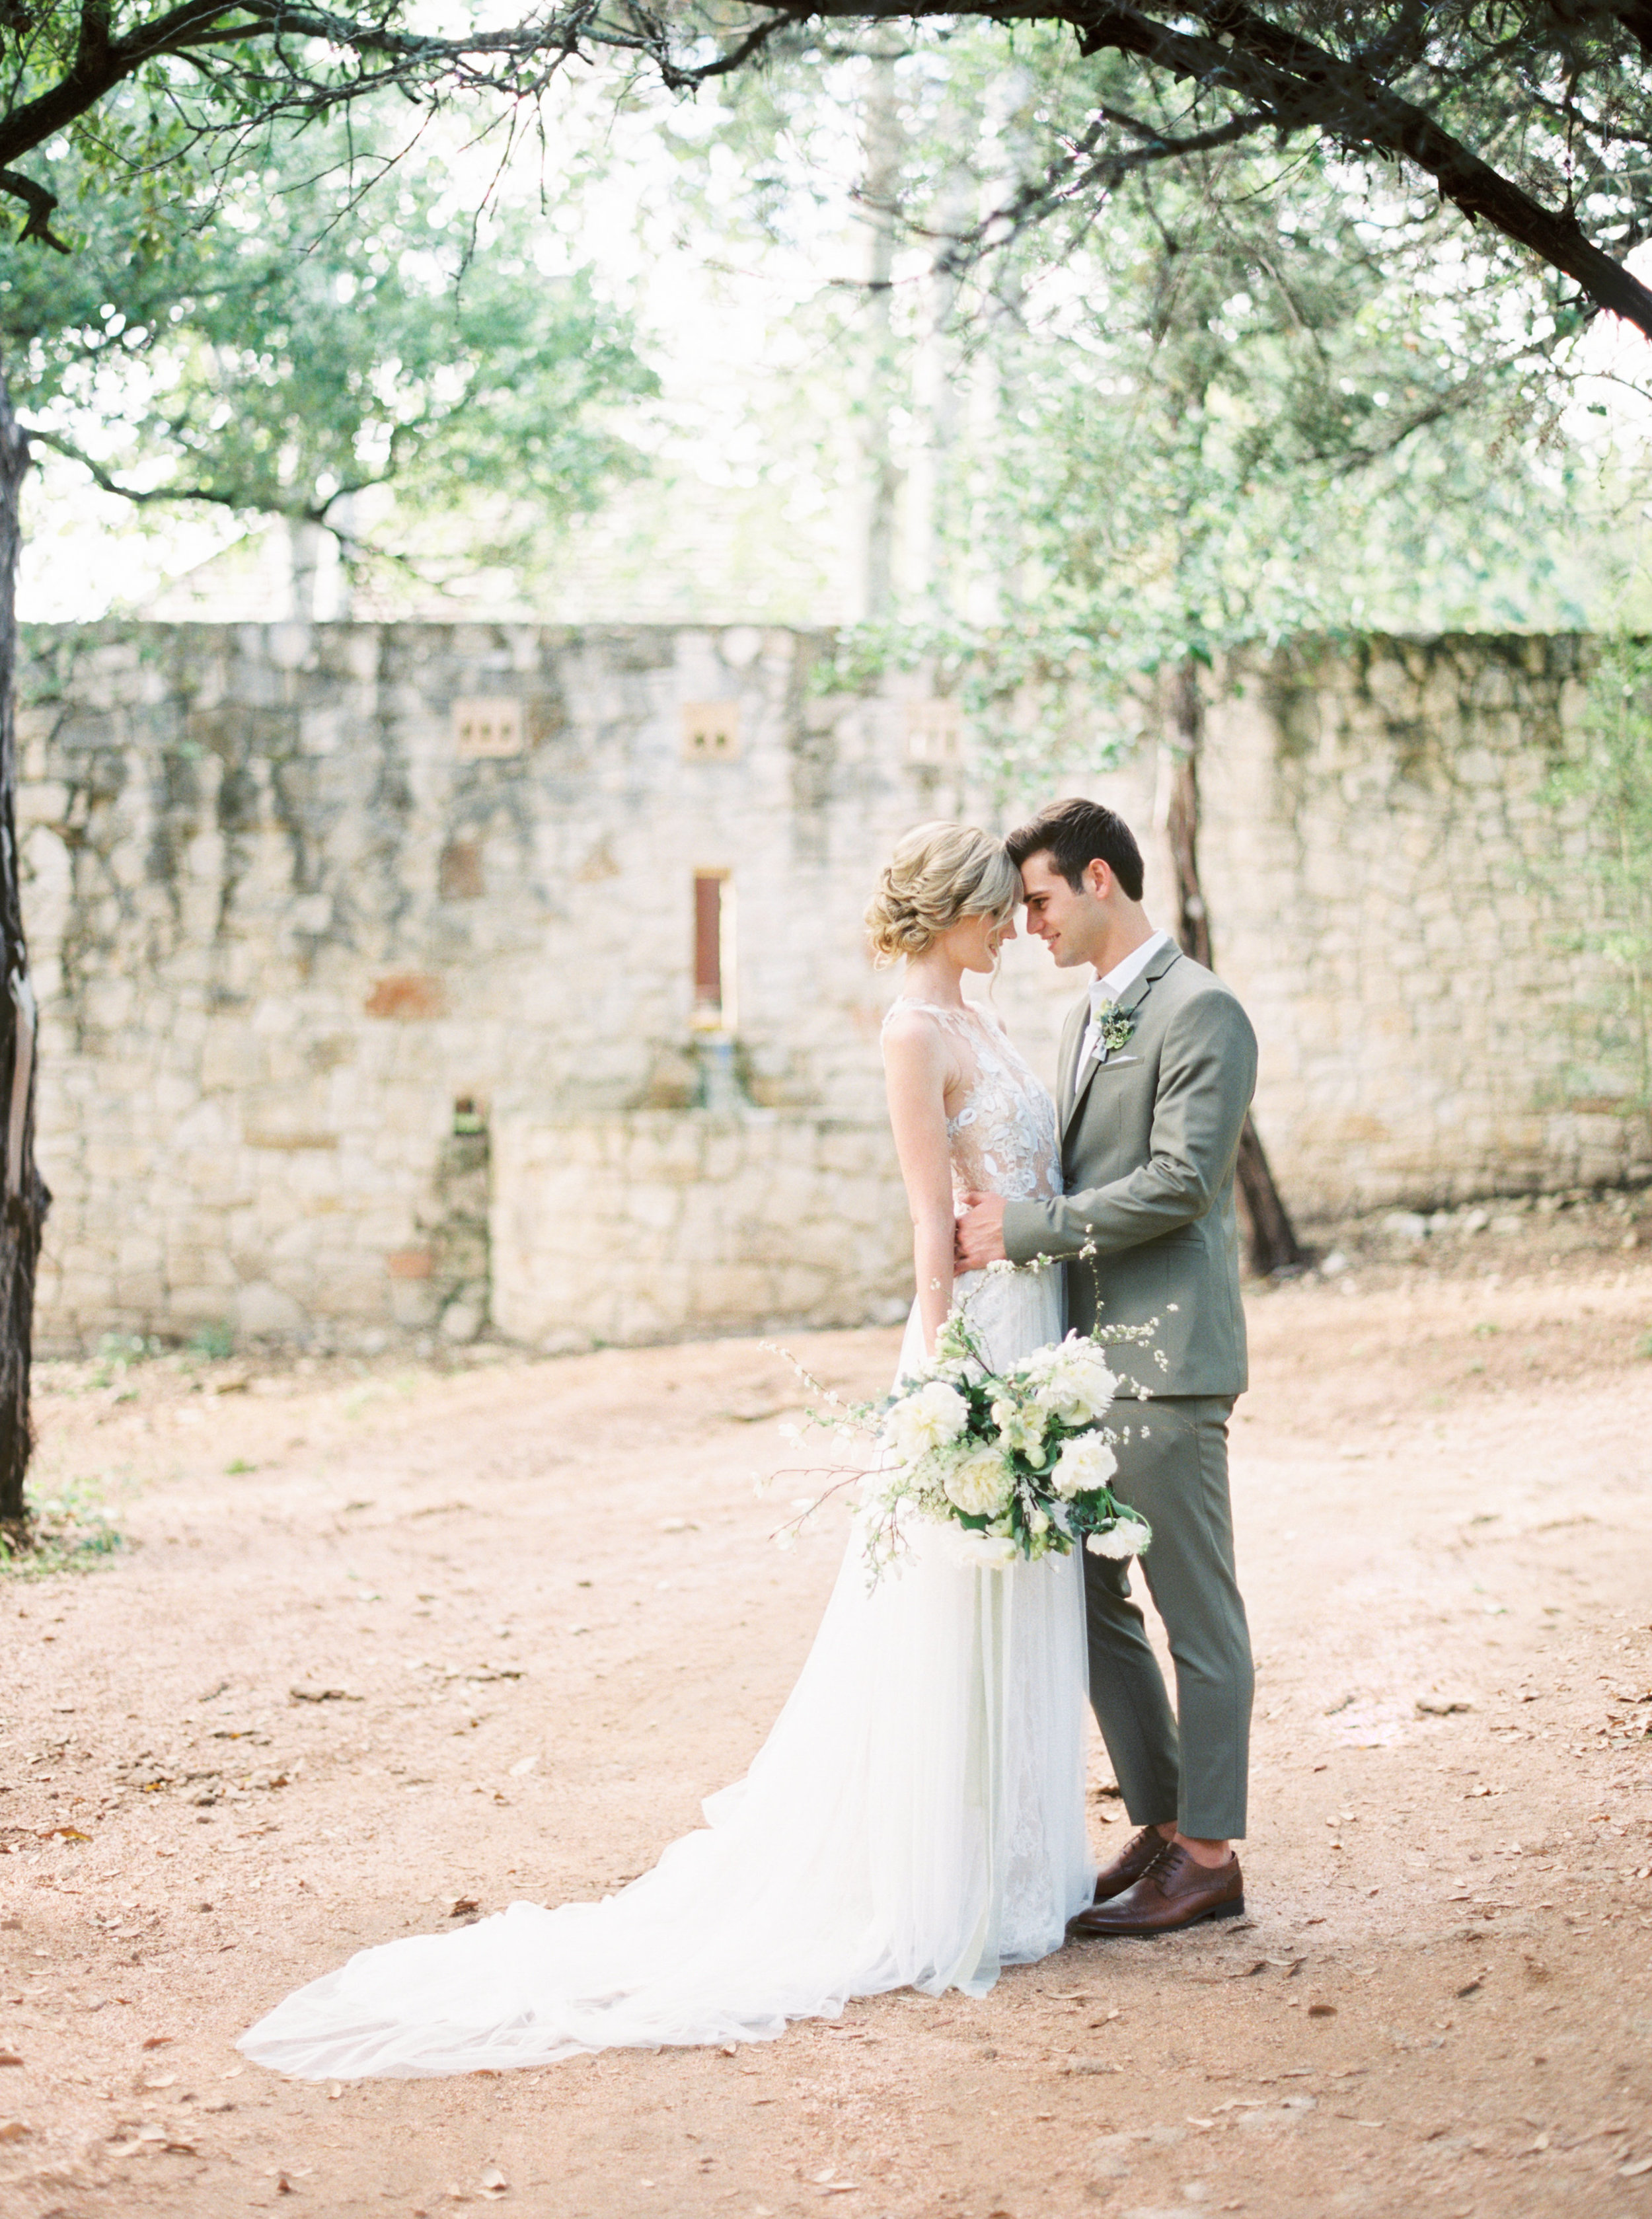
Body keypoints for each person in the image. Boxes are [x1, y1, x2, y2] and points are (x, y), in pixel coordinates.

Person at [237, 819, 1094, 2081]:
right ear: (958, 908)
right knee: (951, 1609)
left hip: (1039, 1331)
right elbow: (927, 1223)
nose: (1014, 927)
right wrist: (943, 1384)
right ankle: (947, 1881)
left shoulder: (986, 1016)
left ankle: (1021, 1859)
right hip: (973, 1345)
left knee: (1022, 1599)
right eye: (996, 909)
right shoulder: (914, 1034)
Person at [956, 796, 1258, 1939]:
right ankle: (1169, 1818)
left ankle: (1214, 1855)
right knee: (1086, 1596)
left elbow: (1183, 1180)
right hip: (1087, 1365)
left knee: (1199, 1616)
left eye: (1036, 900)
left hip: (1169, 1360)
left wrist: (1026, 1227)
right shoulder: (1093, 1014)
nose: (1026, 922)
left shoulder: (1203, 1008)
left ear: (1095, 878)